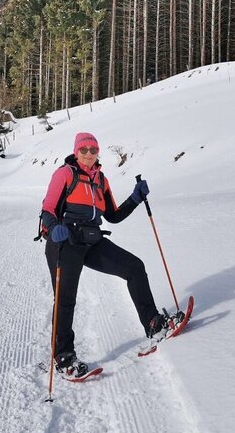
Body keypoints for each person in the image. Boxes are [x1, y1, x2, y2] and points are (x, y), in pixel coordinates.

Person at [39, 132, 172, 378]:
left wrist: (135, 198)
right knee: (66, 299)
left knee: (134, 267)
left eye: (93, 150)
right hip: (64, 242)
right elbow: (47, 208)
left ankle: (153, 323)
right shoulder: (64, 174)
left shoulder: (101, 180)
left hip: (92, 240)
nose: (89, 154)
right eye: (84, 150)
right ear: (76, 151)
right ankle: (64, 357)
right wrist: (52, 227)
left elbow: (113, 216)